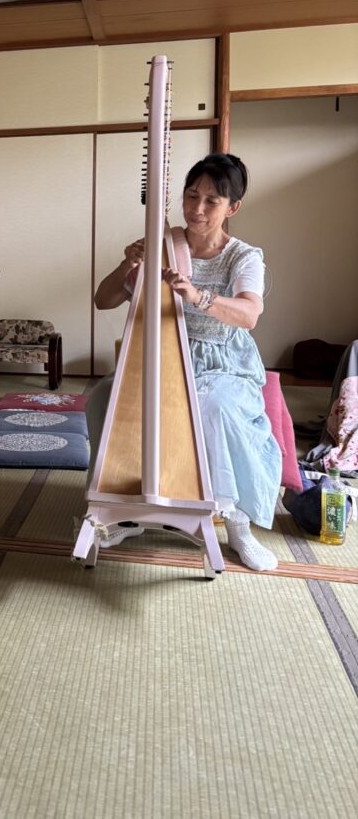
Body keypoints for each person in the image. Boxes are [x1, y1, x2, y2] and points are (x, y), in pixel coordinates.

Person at [89, 153, 281, 571]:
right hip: (163, 352)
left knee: (213, 406)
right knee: (103, 397)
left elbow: (249, 314)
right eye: (192, 195)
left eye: (212, 201)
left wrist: (197, 296)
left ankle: (237, 524)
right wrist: (128, 263)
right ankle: (124, 509)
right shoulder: (164, 245)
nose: (197, 208)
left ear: (232, 208)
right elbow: (103, 300)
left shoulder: (243, 256)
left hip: (221, 360)